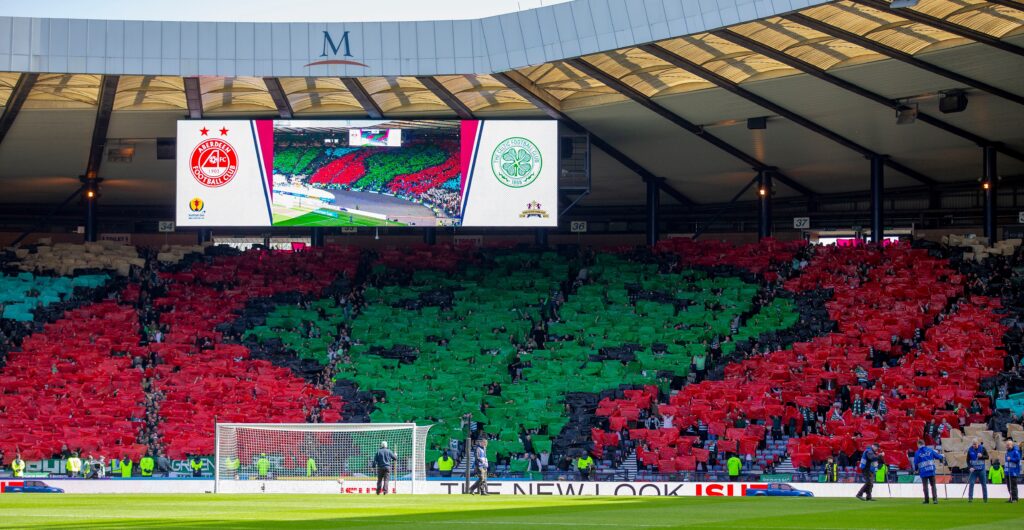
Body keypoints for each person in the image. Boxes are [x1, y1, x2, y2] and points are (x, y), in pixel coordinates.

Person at [913, 440, 945, 504]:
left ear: (919, 444)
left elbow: (916, 462)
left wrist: (916, 469)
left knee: (925, 486)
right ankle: (935, 500)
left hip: (923, 471)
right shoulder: (930, 450)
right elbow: (937, 456)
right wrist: (942, 457)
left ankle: (926, 500)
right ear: (924, 444)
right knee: (933, 485)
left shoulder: (917, 452)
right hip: (931, 470)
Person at [966, 438, 989, 502]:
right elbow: (967, 460)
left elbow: (987, 457)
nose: (974, 446)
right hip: (974, 470)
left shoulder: (982, 448)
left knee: (983, 484)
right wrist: (970, 467)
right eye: (973, 444)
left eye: (975, 444)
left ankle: (985, 498)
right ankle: (970, 498)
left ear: (978, 444)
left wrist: (982, 456)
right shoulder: (970, 450)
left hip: (981, 469)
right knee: (971, 483)